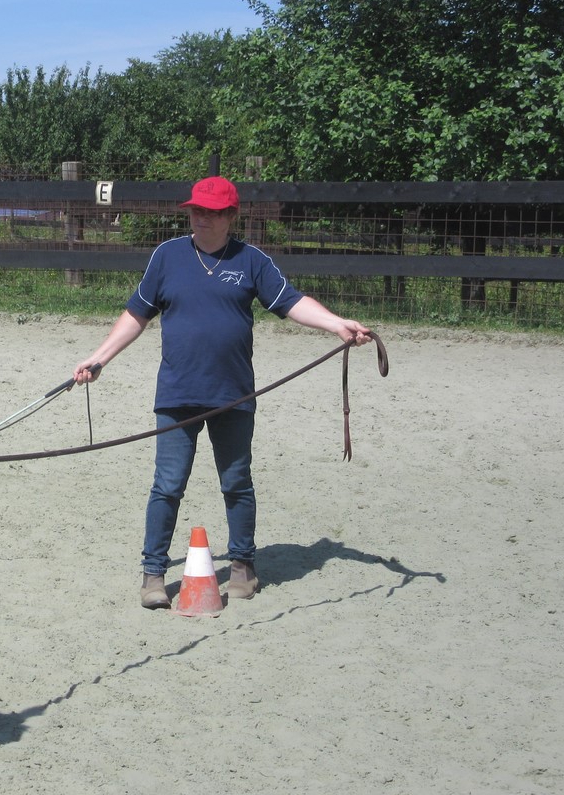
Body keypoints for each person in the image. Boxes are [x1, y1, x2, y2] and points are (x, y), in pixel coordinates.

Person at [73, 175, 372, 610]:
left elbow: (290, 301)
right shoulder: (167, 256)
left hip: (233, 395)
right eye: (197, 210)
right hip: (177, 395)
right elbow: (137, 314)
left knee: (236, 482)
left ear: (231, 215)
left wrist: (337, 324)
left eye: (212, 212)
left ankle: (243, 566)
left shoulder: (251, 261)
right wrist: (99, 358)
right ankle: (153, 573)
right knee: (167, 485)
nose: (202, 218)